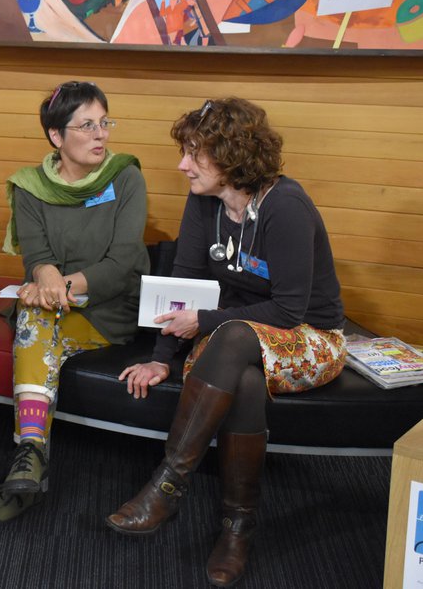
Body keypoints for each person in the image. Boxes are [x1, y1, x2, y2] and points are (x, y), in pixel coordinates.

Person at [105, 98, 347, 587]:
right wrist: (161, 360)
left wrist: (205, 321)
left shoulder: (287, 206)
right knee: (246, 381)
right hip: (229, 337)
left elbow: (289, 311)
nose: (182, 165)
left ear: (233, 155)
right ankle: (239, 526)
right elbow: (185, 280)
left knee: (234, 337)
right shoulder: (202, 201)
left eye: (194, 154)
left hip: (310, 337)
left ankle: (167, 485)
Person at [0, 80, 149, 525]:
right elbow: (37, 255)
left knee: (35, 318)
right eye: (87, 125)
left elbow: (123, 262)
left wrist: (56, 284)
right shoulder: (29, 186)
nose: (100, 134)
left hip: (108, 309)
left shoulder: (125, 176)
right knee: (35, 317)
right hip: (54, 306)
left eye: (104, 122)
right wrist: (44, 274)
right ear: (56, 135)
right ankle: (31, 454)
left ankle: (27, 459)